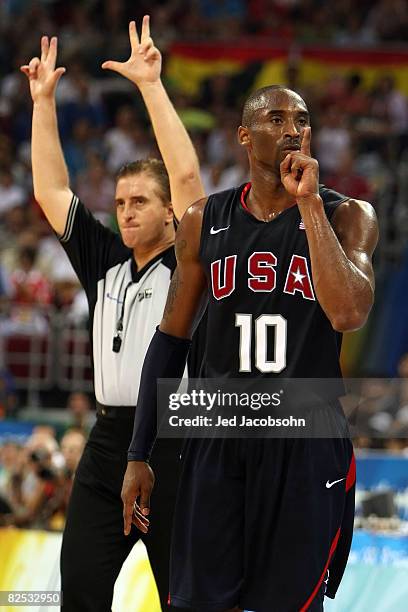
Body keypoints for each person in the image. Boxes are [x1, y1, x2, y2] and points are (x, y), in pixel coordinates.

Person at [123, 85, 379, 610]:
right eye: (277, 119)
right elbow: (170, 342)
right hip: (218, 432)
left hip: (304, 437)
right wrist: (137, 452)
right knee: (199, 602)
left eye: (303, 120)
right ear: (245, 136)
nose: (293, 130)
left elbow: (349, 312)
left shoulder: (348, 215)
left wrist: (307, 203)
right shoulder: (201, 220)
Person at [21, 16, 205, 612]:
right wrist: (43, 103)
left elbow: (186, 179)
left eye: (139, 202)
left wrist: (151, 86)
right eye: (120, 203)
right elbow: (52, 193)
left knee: (185, 597)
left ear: (169, 213)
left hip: (173, 443)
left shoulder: (189, 262)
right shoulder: (105, 261)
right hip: (106, 444)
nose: (125, 213)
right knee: (80, 590)